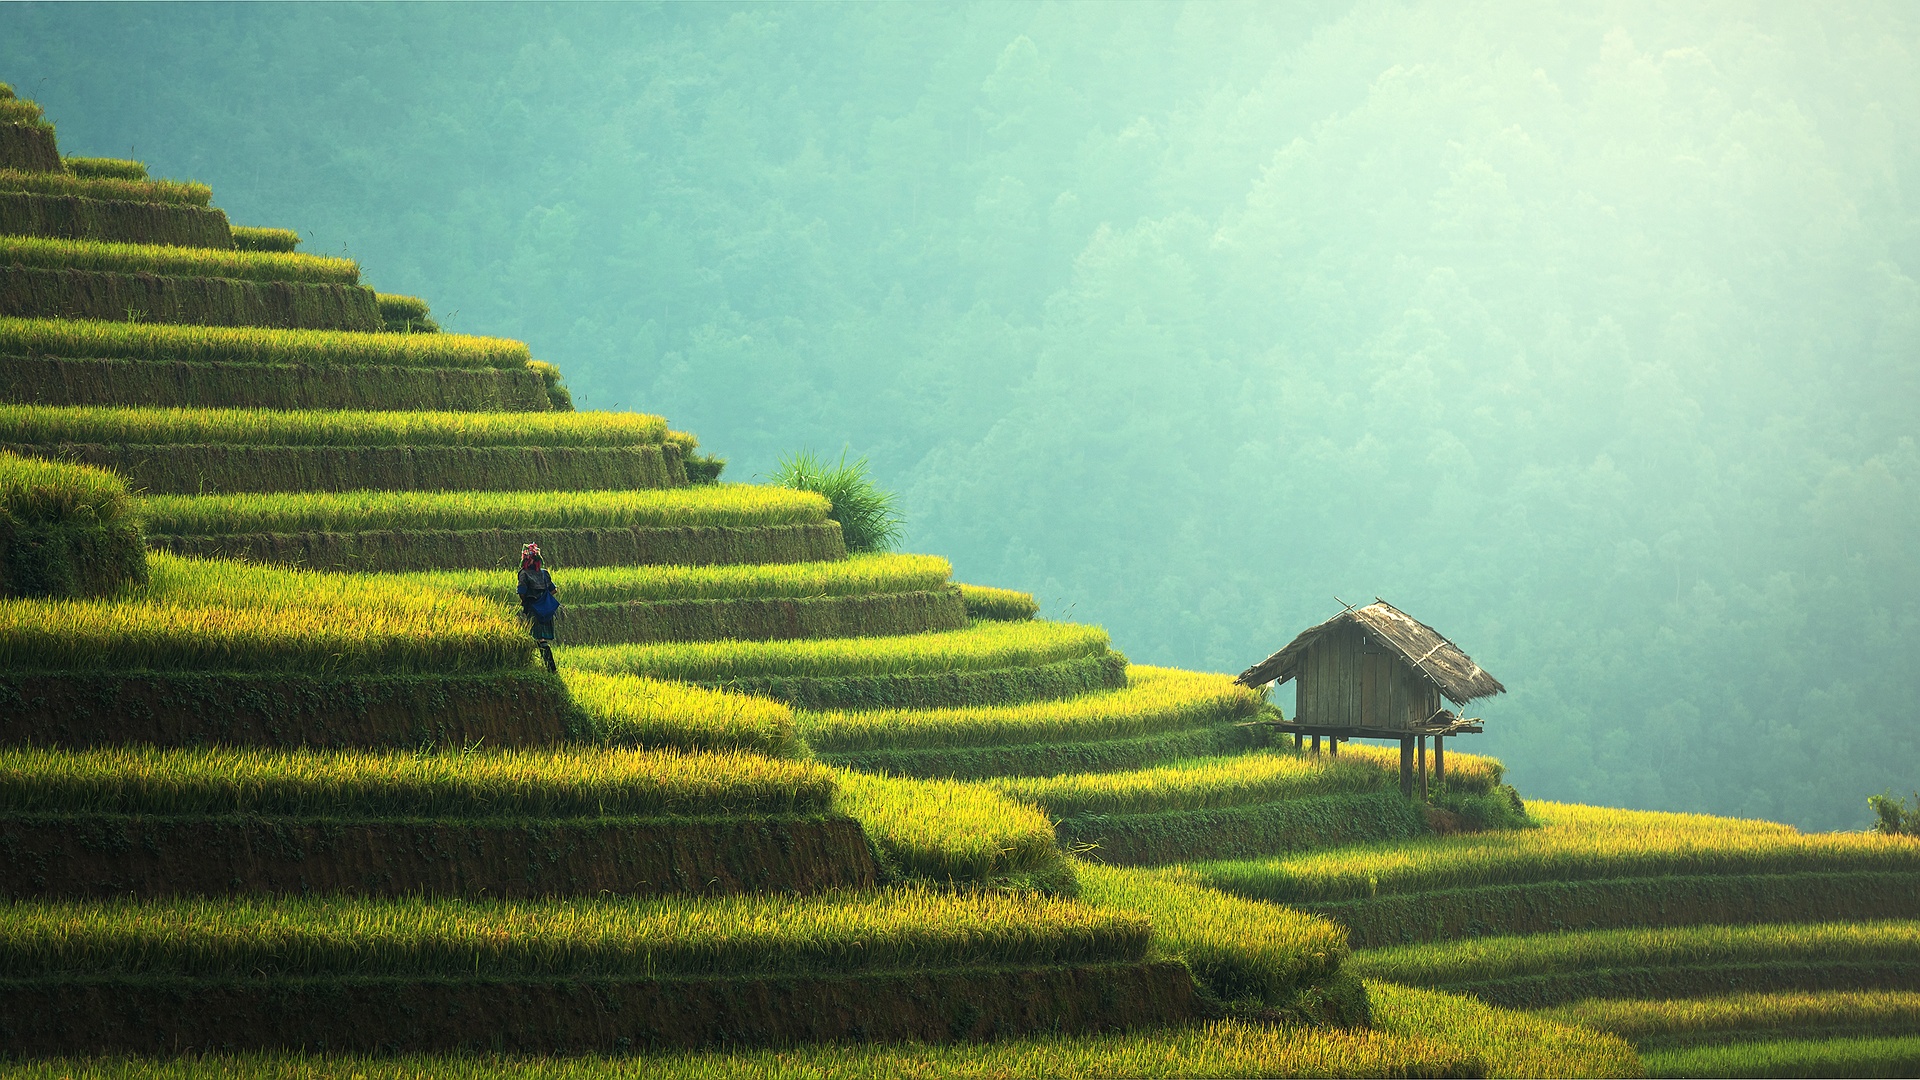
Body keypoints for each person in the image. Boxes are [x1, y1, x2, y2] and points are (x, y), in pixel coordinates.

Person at [517, 543, 559, 669]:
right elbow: (554, 590)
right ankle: (548, 668)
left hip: (534, 609)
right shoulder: (544, 573)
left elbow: (522, 592)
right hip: (546, 609)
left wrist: (526, 602)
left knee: (537, 638)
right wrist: (544, 598)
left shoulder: (523, 573)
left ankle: (549, 668)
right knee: (540, 638)